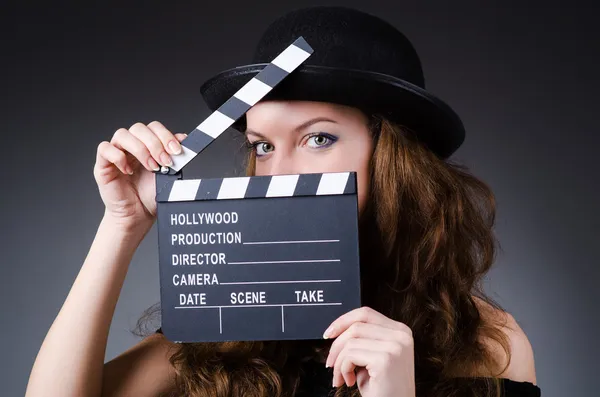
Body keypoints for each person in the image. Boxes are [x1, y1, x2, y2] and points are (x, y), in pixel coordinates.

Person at [25, 6, 540, 397]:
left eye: (319, 138)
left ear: (394, 157)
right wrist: (121, 224)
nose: (283, 171)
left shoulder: (487, 346)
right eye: (263, 147)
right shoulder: (224, 322)